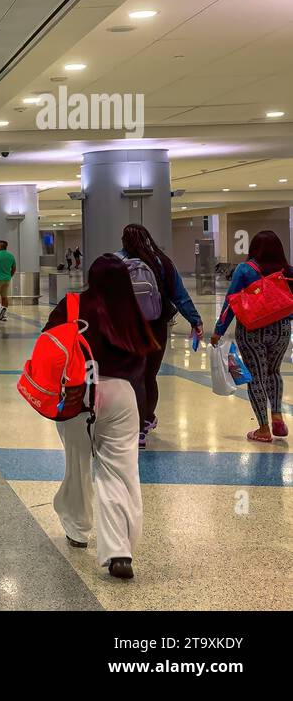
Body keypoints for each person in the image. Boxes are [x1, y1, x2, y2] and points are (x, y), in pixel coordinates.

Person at [44, 255, 159, 579]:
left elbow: (48, 343)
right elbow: (146, 358)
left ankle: (77, 528)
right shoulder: (131, 309)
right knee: (119, 473)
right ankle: (119, 549)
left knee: (78, 463)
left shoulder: (71, 306)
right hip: (122, 397)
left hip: (77, 393)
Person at [117, 223, 203, 447]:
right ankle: (144, 424)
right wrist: (195, 320)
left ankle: (130, 425)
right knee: (149, 375)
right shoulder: (162, 262)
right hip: (156, 326)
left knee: (130, 377)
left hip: (126, 327)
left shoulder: (116, 261)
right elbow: (180, 295)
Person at [211, 230, 293, 443]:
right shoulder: (288, 271)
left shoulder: (245, 270)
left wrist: (219, 330)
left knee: (256, 376)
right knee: (274, 372)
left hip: (252, 330)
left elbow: (231, 302)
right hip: (282, 329)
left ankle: (263, 429)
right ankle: (277, 415)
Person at [0, 240, 16, 321]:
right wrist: (9, 276)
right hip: (7, 279)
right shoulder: (11, 256)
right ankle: (4, 314)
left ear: (0, 246)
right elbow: (14, 268)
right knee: (4, 297)